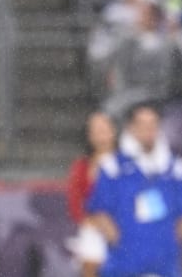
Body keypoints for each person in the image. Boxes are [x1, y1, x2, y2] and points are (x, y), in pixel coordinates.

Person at [86, 103, 182, 277]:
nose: (148, 130)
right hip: (122, 267)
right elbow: (99, 212)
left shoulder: (175, 168)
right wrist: (122, 244)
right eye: (143, 124)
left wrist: (167, 245)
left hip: (165, 268)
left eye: (153, 124)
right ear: (131, 127)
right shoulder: (112, 167)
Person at [65, 111, 118, 277]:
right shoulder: (81, 167)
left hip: (123, 226)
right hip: (93, 227)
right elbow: (76, 205)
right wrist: (96, 223)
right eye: (96, 130)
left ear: (114, 131)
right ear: (89, 135)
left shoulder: (128, 164)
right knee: (90, 255)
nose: (101, 134)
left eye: (104, 128)